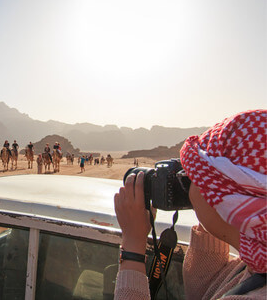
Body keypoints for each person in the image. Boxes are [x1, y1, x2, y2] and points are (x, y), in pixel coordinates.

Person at [114, 110, 266, 299]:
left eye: (193, 177)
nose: (189, 183)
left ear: (224, 197)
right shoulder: (256, 264)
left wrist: (133, 245)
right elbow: (204, 290)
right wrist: (212, 217)